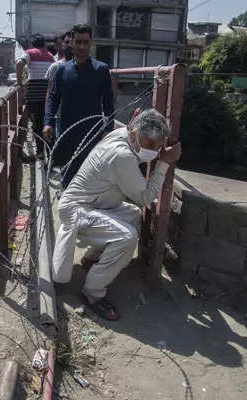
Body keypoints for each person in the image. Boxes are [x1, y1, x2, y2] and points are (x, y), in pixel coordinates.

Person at [52, 109, 182, 321]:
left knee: (132, 214)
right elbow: (146, 197)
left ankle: (92, 258)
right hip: (78, 210)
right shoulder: (122, 155)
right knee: (127, 236)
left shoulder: (122, 135)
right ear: (134, 134)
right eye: (150, 144)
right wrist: (164, 163)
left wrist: (150, 143)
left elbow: (137, 197)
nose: (154, 151)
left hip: (92, 204)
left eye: (159, 147)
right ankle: (93, 293)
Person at [43, 24, 114, 188]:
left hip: (92, 132)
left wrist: (108, 129)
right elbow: (53, 98)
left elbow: (108, 102)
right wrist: (48, 122)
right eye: (78, 42)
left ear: (91, 43)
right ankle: (67, 204)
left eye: (85, 42)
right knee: (67, 172)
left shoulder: (101, 69)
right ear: (71, 43)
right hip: (67, 129)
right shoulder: (62, 70)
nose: (82, 46)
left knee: (89, 174)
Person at [16, 34, 55, 157]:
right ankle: (50, 152)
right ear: (44, 44)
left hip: (33, 95)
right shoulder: (50, 56)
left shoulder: (29, 52)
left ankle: (39, 152)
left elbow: (19, 64)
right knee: (47, 123)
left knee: (36, 124)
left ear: (32, 44)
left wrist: (19, 82)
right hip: (47, 95)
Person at [45, 31, 73, 140]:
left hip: (80, 116)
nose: (69, 45)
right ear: (62, 45)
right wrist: (47, 119)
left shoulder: (87, 67)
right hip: (60, 117)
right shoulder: (55, 67)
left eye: (72, 42)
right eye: (66, 42)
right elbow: (50, 94)